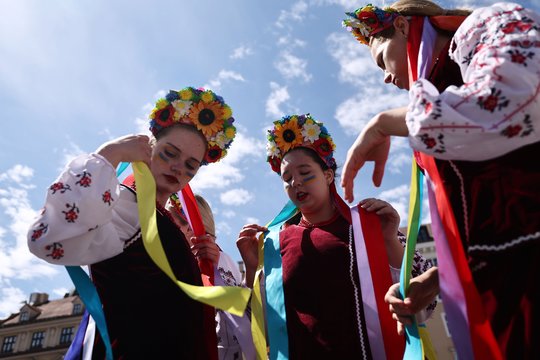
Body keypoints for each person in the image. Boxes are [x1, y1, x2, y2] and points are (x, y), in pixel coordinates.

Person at [342, 1, 540, 357]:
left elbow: (512, 98)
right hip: (503, 289)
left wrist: (383, 122)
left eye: (380, 59)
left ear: (402, 27)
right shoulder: (437, 105)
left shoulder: (488, 23)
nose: (385, 77)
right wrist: (436, 280)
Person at [27, 86, 238, 359]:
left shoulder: (158, 215)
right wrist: (110, 154)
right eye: (169, 153)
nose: (178, 168)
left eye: (190, 165)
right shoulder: (127, 204)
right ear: (147, 149)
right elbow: (46, 238)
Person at [236, 114, 435, 359]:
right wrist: (252, 268)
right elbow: (260, 329)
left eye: (305, 173)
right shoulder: (275, 243)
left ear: (328, 175)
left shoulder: (367, 225)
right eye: (286, 179)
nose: (296, 182)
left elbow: (425, 305)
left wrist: (389, 239)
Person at [168, 194, 250, 360]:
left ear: (189, 227)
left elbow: (228, 330)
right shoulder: (191, 260)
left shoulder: (214, 261)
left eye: (169, 221)